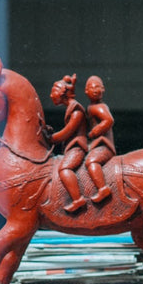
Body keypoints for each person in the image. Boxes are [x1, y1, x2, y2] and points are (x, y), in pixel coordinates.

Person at [46, 74, 93, 212]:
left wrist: (51, 138)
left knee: (65, 169)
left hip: (77, 147)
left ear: (62, 94)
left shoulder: (76, 111)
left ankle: (77, 199)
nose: (51, 95)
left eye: (53, 92)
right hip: (71, 147)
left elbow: (67, 132)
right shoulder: (71, 109)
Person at [82, 75, 115, 203]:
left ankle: (102, 188)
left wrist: (95, 132)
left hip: (104, 145)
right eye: (92, 87)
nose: (95, 89)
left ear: (103, 89)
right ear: (86, 91)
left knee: (91, 162)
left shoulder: (99, 107)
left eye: (98, 87)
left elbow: (109, 120)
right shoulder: (91, 107)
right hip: (97, 144)